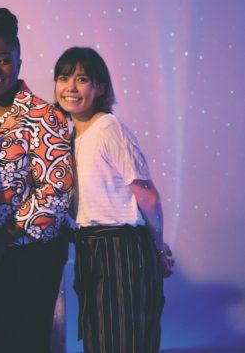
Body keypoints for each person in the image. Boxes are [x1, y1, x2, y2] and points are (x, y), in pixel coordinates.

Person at [0, 6, 73, 353]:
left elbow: (55, 193)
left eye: (4, 59)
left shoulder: (43, 116)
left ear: (19, 64)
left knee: (24, 344)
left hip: (26, 257)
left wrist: (1, 241)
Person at [53, 46, 174, 353]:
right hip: (91, 248)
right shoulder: (70, 138)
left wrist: (158, 249)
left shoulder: (108, 128)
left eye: (82, 79)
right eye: (64, 78)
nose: (70, 87)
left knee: (124, 342)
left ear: (100, 87)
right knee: (101, 342)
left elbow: (147, 196)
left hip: (123, 251)